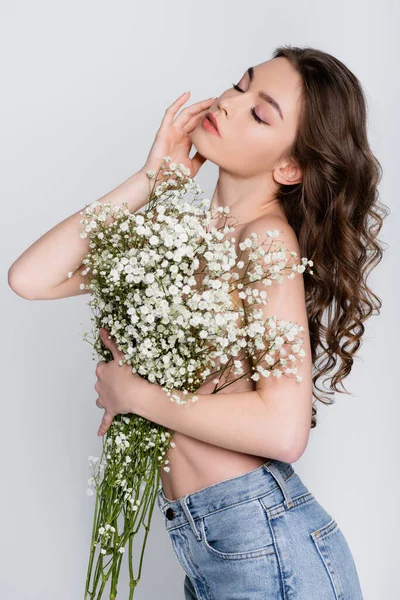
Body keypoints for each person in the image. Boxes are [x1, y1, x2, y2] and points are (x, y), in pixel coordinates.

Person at [8, 45, 388, 599]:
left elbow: (284, 430)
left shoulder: (265, 241)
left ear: (289, 167)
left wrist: (136, 397)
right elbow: (30, 278)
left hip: (264, 543)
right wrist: (150, 178)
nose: (232, 103)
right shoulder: (183, 243)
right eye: (240, 85)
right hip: (219, 543)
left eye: (261, 112)